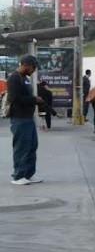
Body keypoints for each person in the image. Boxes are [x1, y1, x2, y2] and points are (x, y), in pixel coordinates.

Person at [8, 55, 45, 185]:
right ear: (25, 65)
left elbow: (25, 96)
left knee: (32, 146)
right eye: (33, 67)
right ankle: (18, 176)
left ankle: (29, 174)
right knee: (22, 147)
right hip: (19, 118)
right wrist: (34, 100)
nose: (34, 70)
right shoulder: (14, 78)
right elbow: (15, 98)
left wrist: (34, 99)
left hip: (28, 118)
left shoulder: (25, 78)